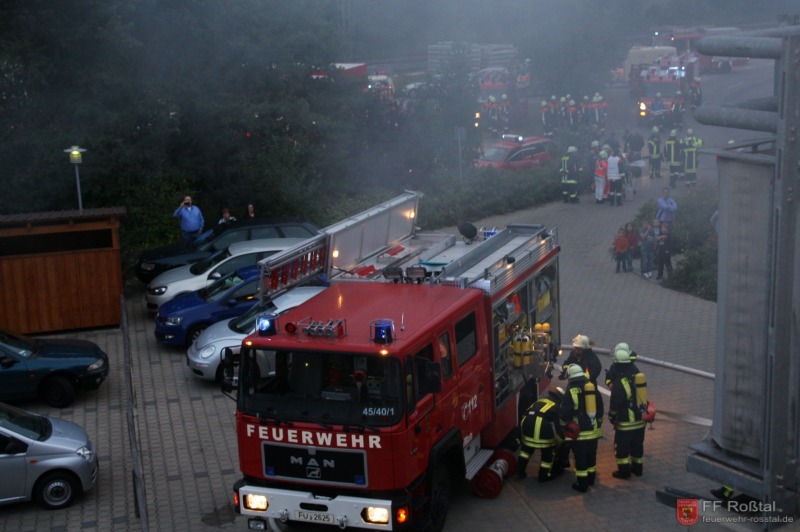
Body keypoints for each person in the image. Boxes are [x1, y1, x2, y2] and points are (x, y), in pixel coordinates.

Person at [559, 363, 604, 493]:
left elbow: (565, 412)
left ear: (571, 377)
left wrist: (563, 426)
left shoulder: (571, 391)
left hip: (579, 433)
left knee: (580, 459)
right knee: (591, 456)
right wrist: (598, 423)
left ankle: (582, 484)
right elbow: (600, 408)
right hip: (593, 431)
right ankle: (591, 479)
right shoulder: (592, 388)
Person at [606, 343, 647, 479]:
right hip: (640, 420)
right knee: (637, 446)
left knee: (621, 449)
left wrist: (611, 416)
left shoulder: (619, 383)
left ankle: (624, 472)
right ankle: (638, 468)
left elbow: (615, 404)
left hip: (625, 423)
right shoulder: (636, 374)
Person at [517, 387, 567, 482]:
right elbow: (557, 426)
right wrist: (562, 439)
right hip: (542, 434)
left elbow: (526, 413)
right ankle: (543, 476)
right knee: (547, 454)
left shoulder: (539, 401)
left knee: (525, 452)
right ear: (560, 399)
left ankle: (519, 472)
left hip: (527, 431)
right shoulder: (556, 407)